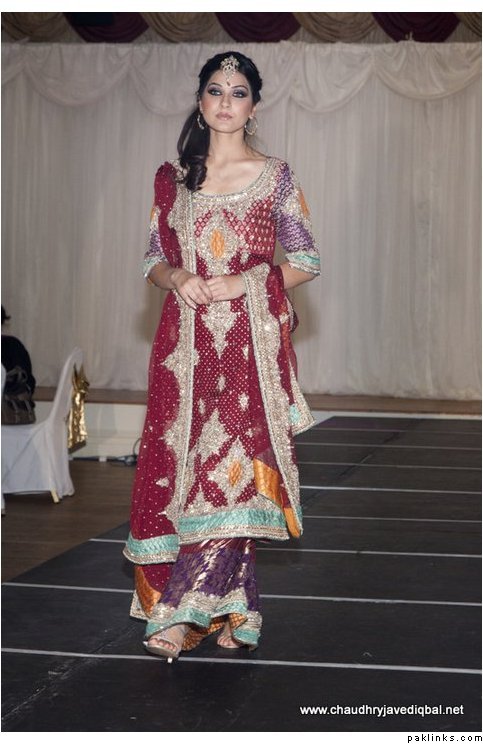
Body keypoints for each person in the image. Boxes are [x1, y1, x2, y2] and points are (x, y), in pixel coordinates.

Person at [123, 51, 320, 661]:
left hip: (248, 352)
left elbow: (306, 261)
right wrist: (177, 276)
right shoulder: (172, 178)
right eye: (216, 90)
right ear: (201, 101)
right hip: (183, 353)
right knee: (186, 475)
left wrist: (245, 282)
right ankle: (236, 605)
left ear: (254, 107)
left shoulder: (276, 176)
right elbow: (152, 260)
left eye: (239, 92)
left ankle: (182, 613)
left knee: (228, 472)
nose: (226, 101)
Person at [1, 305, 36, 424]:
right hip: (17, 415)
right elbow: (29, 383)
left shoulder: (12, 346)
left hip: (8, 416)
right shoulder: (14, 345)